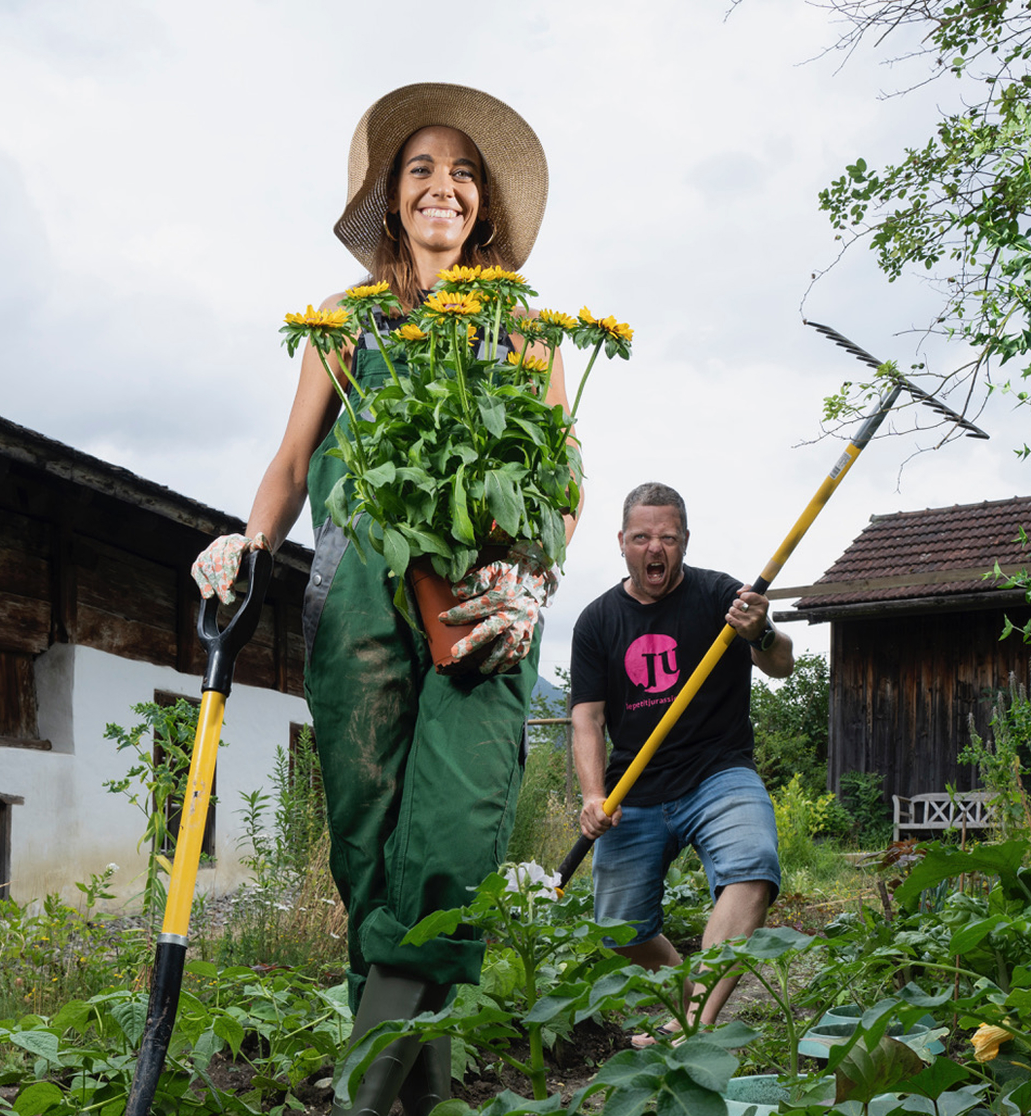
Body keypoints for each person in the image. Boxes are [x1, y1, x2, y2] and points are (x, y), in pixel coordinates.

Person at [189, 83, 569, 1116]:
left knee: (449, 840)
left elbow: (561, 481)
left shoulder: (525, 324)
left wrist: (532, 576)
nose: (441, 185)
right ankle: (421, 1096)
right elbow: (289, 461)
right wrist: (246, 539)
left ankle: (359, 1101)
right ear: (389, 199)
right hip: (352, 600)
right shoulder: (344, 322)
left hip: (478, 609)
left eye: (461, 172)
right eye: (420, 169)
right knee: (369, 856)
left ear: (483, 206)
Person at [568, 482, 795, 1042]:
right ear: (622, 541)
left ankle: (696, 1025)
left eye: (667, 537)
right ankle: (692, 990)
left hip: (718, 773)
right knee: (620, 930)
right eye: (642, 537)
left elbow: (781, 665)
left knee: (752, 865)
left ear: (684, 541)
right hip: (635, 786)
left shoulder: (723, 598)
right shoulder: (597, 622)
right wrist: (593, 795)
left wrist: (761, 630)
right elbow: (587, 720)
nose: (655, 549)